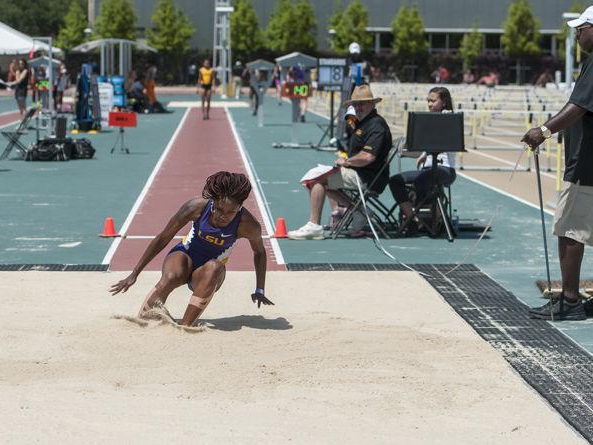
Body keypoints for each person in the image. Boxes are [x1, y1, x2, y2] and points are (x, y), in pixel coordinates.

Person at [109, 171, 273, 326]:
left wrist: (260, 288)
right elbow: (163, 237)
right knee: (173, 276)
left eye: (230, 212)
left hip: (208, 272)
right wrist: (135, 273)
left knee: (215, 266)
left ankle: (185, 326)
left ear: (240, 208)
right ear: (213, 202)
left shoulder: (248, 225)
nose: (223, 216)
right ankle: (144, 320)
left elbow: (259, 252)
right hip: (184, 257)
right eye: (220, 209)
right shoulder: (195, 208)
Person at [521, 6, 593, 321]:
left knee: (570, 229)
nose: (577, 34)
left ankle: (570, 300)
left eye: (582, 28)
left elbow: (578, 106)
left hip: (586, 166)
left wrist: (545, 130)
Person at [287, 84, 392, 240]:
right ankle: (360, 211)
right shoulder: (363, 122)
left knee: (316, 179)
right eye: (355, 104)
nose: (358, 107)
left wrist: (346, 161)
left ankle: (314, 225)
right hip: (361, 174)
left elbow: (367, 157)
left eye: (362, 103)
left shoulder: (375, 124)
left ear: (372, 104)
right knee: (317, 179)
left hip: (367, 178)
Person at [388, 87, 457, 235]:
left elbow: (443, 140)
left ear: (444, 102)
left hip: (445, 169)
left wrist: (426, 150)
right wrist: (423, 153)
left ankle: (436, 219)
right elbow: (428, 139)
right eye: (428, 101)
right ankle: (413, 220)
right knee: (395, 180)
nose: (430, 104)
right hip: (427, 170)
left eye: (433, 101)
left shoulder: (451, 119)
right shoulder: (428, 119)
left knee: (422, 180)